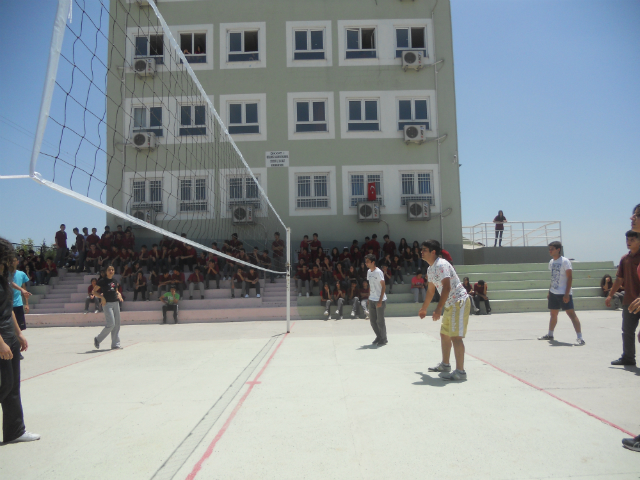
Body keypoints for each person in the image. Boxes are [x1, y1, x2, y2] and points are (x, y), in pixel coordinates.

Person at [0, 238, 39, 444]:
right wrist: (1, 343)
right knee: (4, 385)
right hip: (1, 342)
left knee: (12, 387)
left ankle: (15, 431)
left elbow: (7, 311)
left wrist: (19, 334)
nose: (14, 259)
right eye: (10, 255)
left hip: (9, 339)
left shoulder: (4, 279)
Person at [420, 240, 471, 381]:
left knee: (456, 337)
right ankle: (445, 365)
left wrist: (438, 308)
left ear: (433, 252)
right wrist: (424, 308)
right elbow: (430, 291)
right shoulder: (430, 268)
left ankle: (460, 372)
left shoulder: (441, 265)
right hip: (450, 304)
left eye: (424, 249)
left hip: (458, 301)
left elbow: (447, 288)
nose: (421, 252)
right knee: (445, 335)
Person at [538, 241, 585, 345]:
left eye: (552, 249)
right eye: (549, 249)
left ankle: (580, 337)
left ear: (558, 249)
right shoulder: (551, 262)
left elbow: (570, 278)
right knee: (553, 314)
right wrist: (549, 291)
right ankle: (550, 334)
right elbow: (553, 278)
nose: (550, 251)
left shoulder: (565, 261)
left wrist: (567, 294)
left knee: (571, 314)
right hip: (553, 293)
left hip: (564, 293)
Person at [606, 230, 640, 366]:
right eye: (627, 239)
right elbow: (619, 279)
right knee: (627, 331)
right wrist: (610, 295)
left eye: (632, 239)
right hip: (629, 301)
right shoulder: (624, 259)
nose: (629, 242)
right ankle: (628, 358)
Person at [91, 265, 123, 350]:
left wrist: (119, 295)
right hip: (107, 304)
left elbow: (116, 291)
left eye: (112, 269)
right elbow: (93, 292)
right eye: (109, 270)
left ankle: (115, 344)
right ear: (106, 272)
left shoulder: (115, 281)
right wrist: (102, 298)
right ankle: (98, 339)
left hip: (116, 303)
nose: (111, 271)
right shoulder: (102, 281)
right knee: (111, 324)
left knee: (117, 325)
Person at [365, 254, 387, 346]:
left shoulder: (378, 272)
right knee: (372, 321)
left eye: (367, 262)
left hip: (379, 299)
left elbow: (383, 286)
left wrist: (380, 300)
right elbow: (370, 285)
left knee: (380, 321)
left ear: (373, 262)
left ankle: (384, 338)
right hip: (372, 299)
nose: (366, 263)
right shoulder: (369, 272)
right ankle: (378, 336)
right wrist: (369, 297)